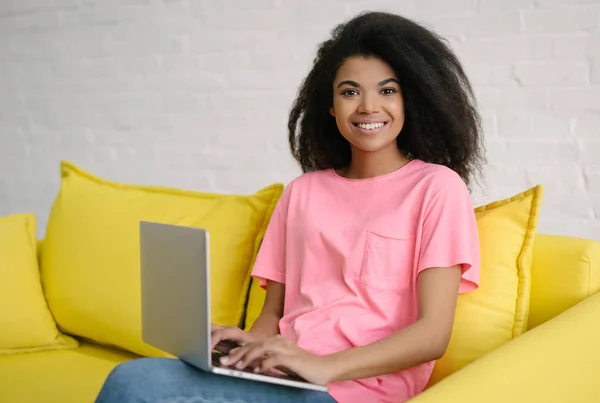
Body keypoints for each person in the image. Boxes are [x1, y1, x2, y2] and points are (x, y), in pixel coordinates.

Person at [95, 10, 485, 403]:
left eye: (387, 91)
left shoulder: (436, 188)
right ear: (330, 105)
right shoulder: (302, 192)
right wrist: (246, 341)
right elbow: (273, 318)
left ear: (411, 100)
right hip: (285, 374)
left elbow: (433, 335)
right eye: (350, 92)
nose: (368, 106)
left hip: (355, 389)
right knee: (132, 379)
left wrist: (324, 367)